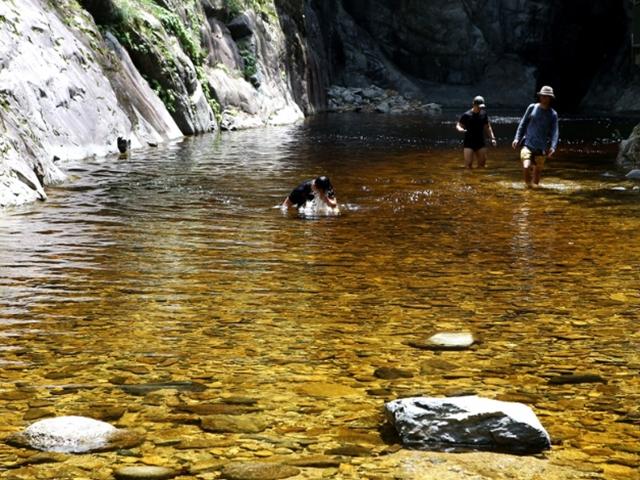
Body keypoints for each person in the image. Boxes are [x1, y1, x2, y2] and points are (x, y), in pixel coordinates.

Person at [512, 86, 559, 188]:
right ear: (540, 96)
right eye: (542, 96)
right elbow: (523, 123)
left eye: (547, 96)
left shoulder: (553, 114)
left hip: (541, 147)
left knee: (537, 173)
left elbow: (555, 132)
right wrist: (517, 138)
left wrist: (553, 147)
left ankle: (533, 194)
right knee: (526, 166)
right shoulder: (532, 107)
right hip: (527, 144)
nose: (544, 98)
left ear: (550, 98)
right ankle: (528, 187)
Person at [456, 95, 497, 168]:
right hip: (469, 142)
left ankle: (479, 179)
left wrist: (492, 138)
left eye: (481, 107)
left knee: (482, 165)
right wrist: (460, 129)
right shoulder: (466, 115)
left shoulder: (483, 114)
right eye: (479, 106)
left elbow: (488, 127)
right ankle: (470, 179)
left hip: (480, 142)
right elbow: (458, 125)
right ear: (474, 104)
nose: (480, 108)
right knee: (468, 165)